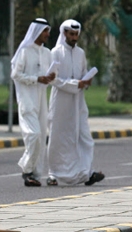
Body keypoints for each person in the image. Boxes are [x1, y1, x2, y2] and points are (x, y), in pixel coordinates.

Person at [46, 19, 105, 186]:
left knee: (84, 137)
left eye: (76, 34)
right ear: (64, 33)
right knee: (58, 139)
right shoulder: (55, 52)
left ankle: (86, 173)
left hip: (78, 102)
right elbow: (53, 79)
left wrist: (87, 81)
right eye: (71, 34)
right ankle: (54, 174)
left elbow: (84, 72)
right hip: (60, 103)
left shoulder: (81, 53)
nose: (74, 37)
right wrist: (75, 84)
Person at [10, 18, 56, 187]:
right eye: (45, 31)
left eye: (48, 31)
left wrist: (49, 78)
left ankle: (34, 174)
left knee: (41, 136)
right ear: (36, 31)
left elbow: (49, 76)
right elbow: (15, 75)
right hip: (27, 100)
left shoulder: (47, 53)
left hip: (42, 100)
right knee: (33, 134)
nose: (47, 34)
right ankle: (26, 168)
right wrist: (36, 79)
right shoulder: (24, 51)